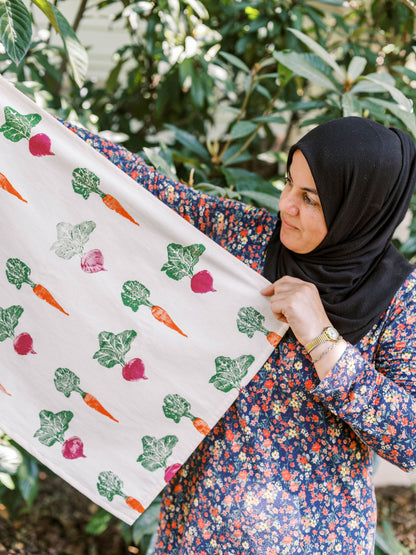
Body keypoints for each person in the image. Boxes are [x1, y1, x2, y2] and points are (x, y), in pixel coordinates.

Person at [63, 116, 416, 554]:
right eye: (289, 183)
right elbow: (149, 194)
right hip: (195, 528)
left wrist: (323, 339)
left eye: (310, 198)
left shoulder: (399, 301)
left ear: (360, 209)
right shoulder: (248, 238)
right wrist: (31, 124)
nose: (286, 203)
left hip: (319, 540)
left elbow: (411, 438)